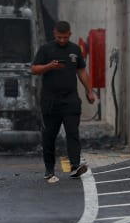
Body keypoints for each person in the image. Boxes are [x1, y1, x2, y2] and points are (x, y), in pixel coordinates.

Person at [32, 20, 97, 182]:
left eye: (65, 37)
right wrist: (49, 67)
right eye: (59, 37)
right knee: (50, 136)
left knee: (72, 133)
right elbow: (34, 69)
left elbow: (82, 71)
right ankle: (49, 170)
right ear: (55, 34)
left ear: (70, 35)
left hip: (70, 100)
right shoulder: (46, 49)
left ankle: (75, 166)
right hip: (50, 101)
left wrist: (90, 91)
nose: (62, 40)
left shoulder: (75, 49)